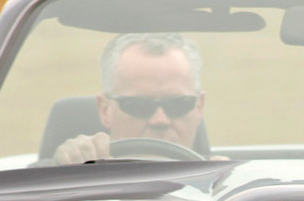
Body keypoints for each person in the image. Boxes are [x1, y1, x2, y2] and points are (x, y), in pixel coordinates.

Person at [53, 32, 206, 164]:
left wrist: (218, 180)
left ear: (199, 107)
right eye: (139, 106)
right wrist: (70, 170)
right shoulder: (80, 177)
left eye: (179, 105)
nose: (160, 120)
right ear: (105, 110)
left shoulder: (218, 183)